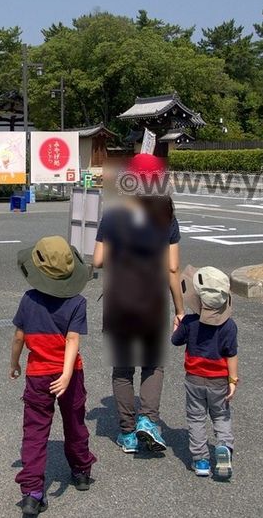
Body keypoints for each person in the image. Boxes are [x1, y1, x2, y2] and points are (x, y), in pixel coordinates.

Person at [92, 153, 184, 454]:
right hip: (153, 298)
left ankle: (128, 433)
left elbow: (98, 259)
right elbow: (172, 269)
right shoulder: (167, 216)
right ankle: (149, 420)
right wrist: (181, 309)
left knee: (122, 368)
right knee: (152, 365)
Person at [9, 236, 97, 516]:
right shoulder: (78, 302)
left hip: (37, 376)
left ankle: (33, 493)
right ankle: (81, 470)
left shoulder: (29, 299)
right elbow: (73, 340)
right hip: (70, 376)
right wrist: (68, 372)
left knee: (35, 432)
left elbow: (19, 337)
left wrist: (14, 363)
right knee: (74, 423)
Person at [171, 265, 239, 480]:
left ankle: (201, 460)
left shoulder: (190, 323)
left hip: (194, 379)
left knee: (196, 418)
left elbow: (175, 341)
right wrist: (233, 380)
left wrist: (178, 325)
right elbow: (232, 354)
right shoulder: (229, 326)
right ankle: (225, 447)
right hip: (219, 380)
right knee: (220, 415)